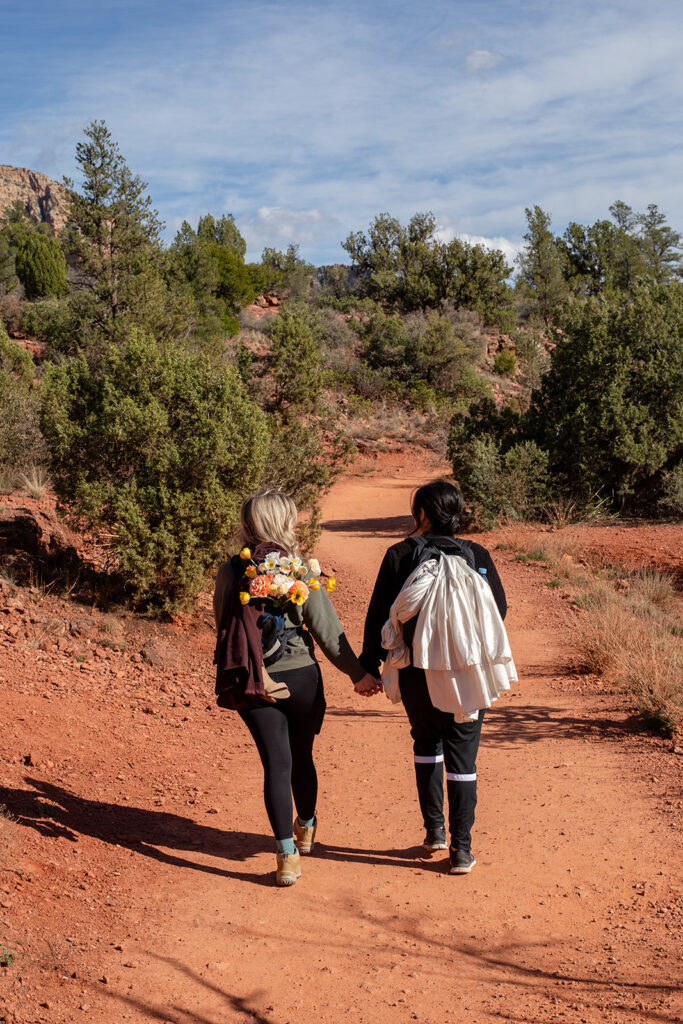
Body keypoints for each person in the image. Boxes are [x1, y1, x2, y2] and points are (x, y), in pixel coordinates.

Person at [214, 489, 380, 887]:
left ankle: (287, 856)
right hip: (301, 675)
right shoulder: (300, 569)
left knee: (277, 763)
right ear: (283, 522)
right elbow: (326, 631)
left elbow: (223, 625)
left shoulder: (231, 571)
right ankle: (305, 824)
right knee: (301, 756)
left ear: (249, 522)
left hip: (253, 679)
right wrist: (358, 674)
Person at [360, 479, 508, 874]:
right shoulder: (478, 555)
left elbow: (379, 614)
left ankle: (435, 832)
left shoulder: (400, 554)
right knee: (463, 758)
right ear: (458, 513)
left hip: (416, 673)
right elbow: (499, 612)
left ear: (422, 514)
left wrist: (368, 666)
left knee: (426, 742)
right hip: (466, 674)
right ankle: (461, 850)